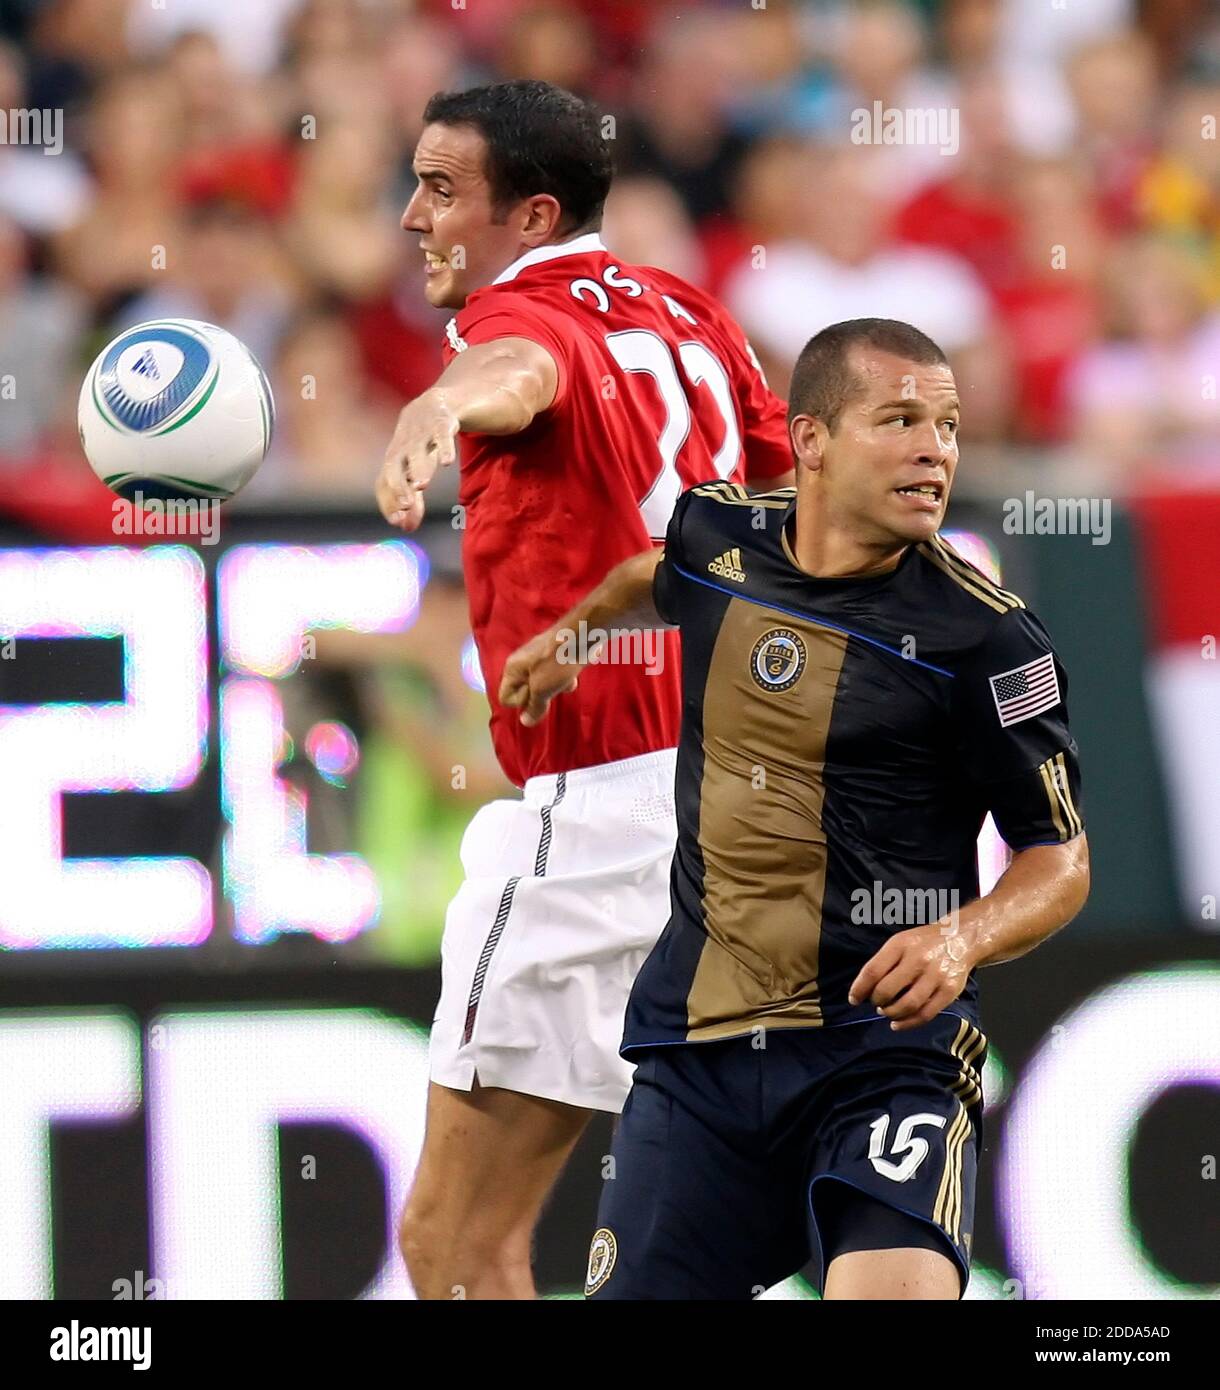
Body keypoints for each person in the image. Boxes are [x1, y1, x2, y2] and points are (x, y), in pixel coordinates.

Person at [500, 318, 1090, 1300]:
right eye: (898, 420)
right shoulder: (714, 536)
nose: (932, 449)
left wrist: (959, 939)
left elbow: (1057, 857)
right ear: (808, 440)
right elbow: (652, 574)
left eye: (944, 426)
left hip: (881, 1053)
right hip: (698, 1057)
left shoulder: (986, 643)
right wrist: (576, 634)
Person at [376, 78, 793, 1299]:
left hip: (602, 814)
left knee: (455, 1243)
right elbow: (791, 515)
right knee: (705, 1245)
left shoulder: (519, 321)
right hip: (754, 806)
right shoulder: (696, 318)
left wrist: (436, 406)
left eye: (441, 189)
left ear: (532, 214)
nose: (411, 216)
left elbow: (518, 371)